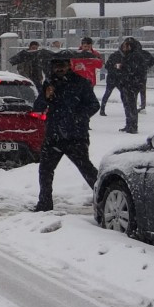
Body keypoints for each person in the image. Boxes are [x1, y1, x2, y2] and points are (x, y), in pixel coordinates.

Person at [33, 51, 101, 211]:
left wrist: (78, 117)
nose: (59, 69)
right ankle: (44, 203)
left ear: (69, 66)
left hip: (75, 135)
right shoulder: (49, 84)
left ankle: (104, 197)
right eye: (56, 66)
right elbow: (38, 107)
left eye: (62, 66)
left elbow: (94, 105)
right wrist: (45, 96)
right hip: (54, 135)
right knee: (45, 170)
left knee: (86, 168)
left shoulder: (81, 83)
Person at [108, 37, 154, 134]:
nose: (123, 48)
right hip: (127, 83)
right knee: (127, 104)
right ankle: (129, 124)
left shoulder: (135, 56)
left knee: (131, 105)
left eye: (125, 46)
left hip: (132, 84)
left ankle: (132, 126)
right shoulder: (129, 55)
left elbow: (133, 69)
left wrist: (122, 67)